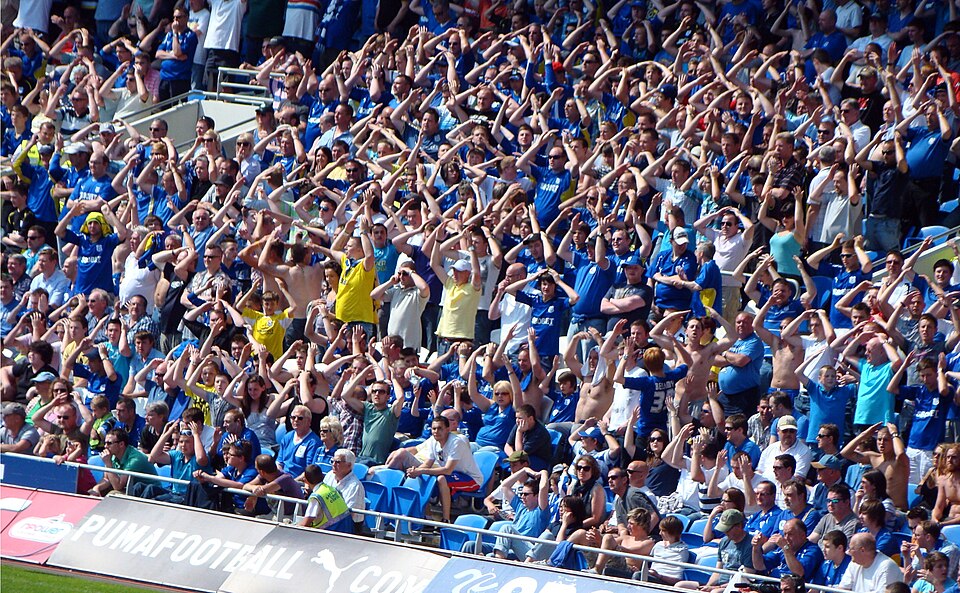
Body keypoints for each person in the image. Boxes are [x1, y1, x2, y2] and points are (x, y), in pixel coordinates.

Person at [89, 428, 157, 496]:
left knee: (113, 495)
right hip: (131, 489)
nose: (105, 446)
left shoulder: (135, 459)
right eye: (105, 443)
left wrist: (108, 464)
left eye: (109, 443)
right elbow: (107, 479)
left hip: (148, 493)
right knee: (92, 493)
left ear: (121, 444)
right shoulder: (113, 455)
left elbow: (118, 486)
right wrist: (97, 488)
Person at [838, 532, 904, 593]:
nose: (848, 552)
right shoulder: (854, 563)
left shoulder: (887, 566)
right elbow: (842, 589)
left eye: (851, 549)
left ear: (862, 550)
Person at [298, 463, 351, 530]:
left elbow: (306, 522)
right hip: (346, 528)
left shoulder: (316, 497)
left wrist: (293, 525)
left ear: (305, 480)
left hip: (332, 531)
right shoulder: (331, 489)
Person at [323, 449, 366, 532]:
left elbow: (348, 514)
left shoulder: (355, 486)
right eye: (332, 461)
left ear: (349, 465)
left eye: (338, 462)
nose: (333, 465)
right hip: (329, 521)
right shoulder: (329, 475)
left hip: (349, 527)